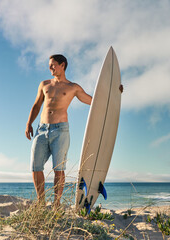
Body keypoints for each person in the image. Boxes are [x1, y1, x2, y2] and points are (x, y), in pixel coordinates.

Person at [25, 54, 122, 207]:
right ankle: (41, 201)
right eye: (49, 65)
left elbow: (94, 101)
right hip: (41, 129)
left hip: (61, 130)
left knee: (59, 168)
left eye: (53, 64)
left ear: (62, 65)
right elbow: (37, 105)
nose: (50, 67)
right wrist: (29, 123)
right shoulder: (44, 84)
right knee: (35, 166)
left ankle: (57, 204)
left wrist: (115, 93)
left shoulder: (73, 87)